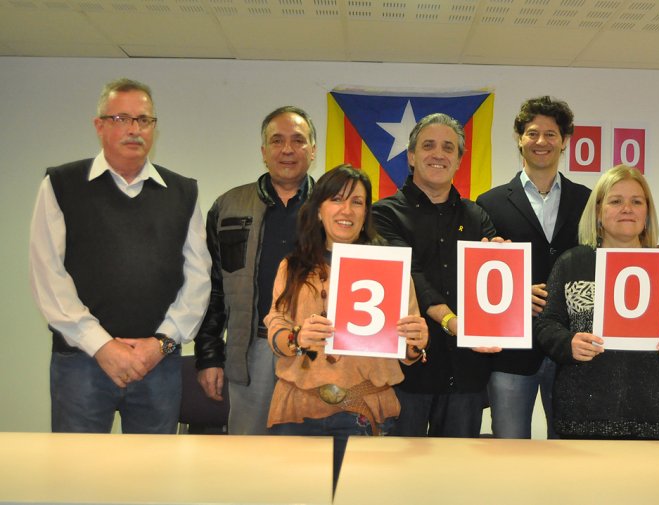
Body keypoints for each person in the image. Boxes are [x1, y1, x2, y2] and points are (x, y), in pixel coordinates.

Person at [29, 78, 212, 433]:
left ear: (154, 128)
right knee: (76, 475)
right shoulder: (60, 184)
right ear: (99, 126)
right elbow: (47, 275)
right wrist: (102, 346)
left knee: (150, 479)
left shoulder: (182, 191)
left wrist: (161, 344)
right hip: (81, 361)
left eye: (143, 120)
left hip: (158, 363)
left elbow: (198, 277)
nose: (134, 129)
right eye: (121, 119)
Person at [535, 165, 659, 439]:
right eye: (616, 201)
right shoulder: (572, 263)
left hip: (653, 414)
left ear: (647, 213)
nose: (627, 208)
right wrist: (567, 344)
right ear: (598, 212)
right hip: (581, 414)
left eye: (636, 201)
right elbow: (546, 325)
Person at [263, 164, 428, 437]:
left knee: (362, 482)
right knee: (293, 481)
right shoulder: (292, 267)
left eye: (357, 202)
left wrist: (417, 343)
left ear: (366, 214)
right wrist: (297, 338)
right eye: (336, 199)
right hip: (298, 408)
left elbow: (408, 350)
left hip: (365, 410)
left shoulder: (391, 269)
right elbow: (276, 326)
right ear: (318, 210)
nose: (346, 210)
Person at [372, 113, 498, 437]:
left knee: (457, 481)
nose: (438, 154)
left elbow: (490, 285)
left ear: (458, 161)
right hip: (406, 373)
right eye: (428, 146)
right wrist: (450, 321)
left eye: (448, 148)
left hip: (466, 374)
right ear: (412, 156)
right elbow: (408, 276)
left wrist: (504, 272)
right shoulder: (383, 214)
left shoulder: (477, 216)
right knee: (400, 474)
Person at [193, 106, 316, 435]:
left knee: (307, 458)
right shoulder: (229, 206)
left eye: (298, 140)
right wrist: (209, 356)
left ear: (313, 150)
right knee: (248, 457)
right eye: (277, 140)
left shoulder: (331, 208)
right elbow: (213, 288)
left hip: (314, 353)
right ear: (264, 152)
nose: (287, 149)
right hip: (251, 350)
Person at [477, 96, 591, 439]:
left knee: (569, 447)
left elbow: (598, 264)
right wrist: (513, 294)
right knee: (509, 449)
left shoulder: (586, 200)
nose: (541, 142)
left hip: (570, 348)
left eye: (551, 134)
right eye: (532, 133)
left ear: (565, 141)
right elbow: (482, 278)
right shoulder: (490, 202)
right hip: (512, 351)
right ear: (519, 138)